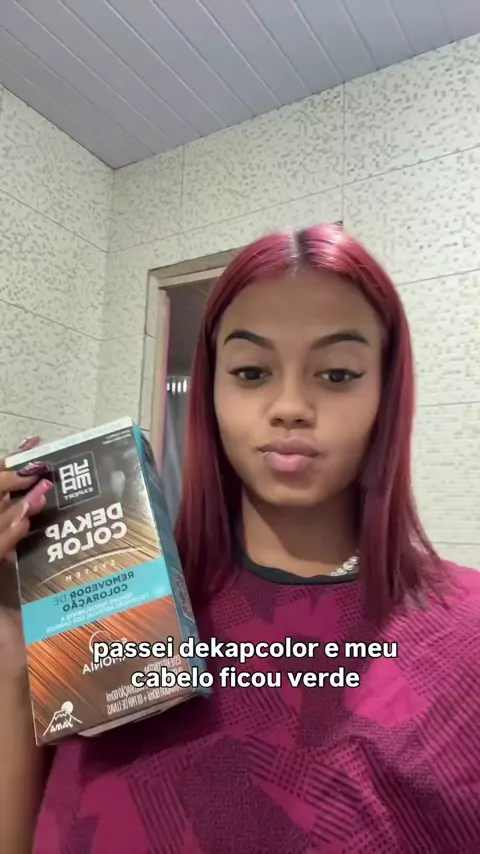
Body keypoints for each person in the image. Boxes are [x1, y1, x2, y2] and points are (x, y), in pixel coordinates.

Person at [1, 224, 479, 854]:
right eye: (252, 372)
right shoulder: (116, 606)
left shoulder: (467, 632)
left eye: (337, 374)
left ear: (385, 393)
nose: (290, 405)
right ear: (212, 392)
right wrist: (14, 648)